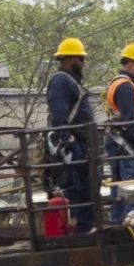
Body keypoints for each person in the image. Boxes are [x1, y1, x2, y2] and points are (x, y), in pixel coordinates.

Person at [46, 36, 97, 233]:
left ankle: (86, 225)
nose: (83, 63)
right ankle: (82, 228)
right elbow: (59, 116)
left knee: (88, 183)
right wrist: (69, 141)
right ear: (69, 59)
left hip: (81, 142)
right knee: (76, 186)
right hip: (71, 144)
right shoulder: (60, 82)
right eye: (80, 59)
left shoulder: (70, 82)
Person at [105, 42, 134, 224]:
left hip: (115, 138)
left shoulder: (117, 82)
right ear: (131, 64)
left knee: (118, 182)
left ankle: (117, 220)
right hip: (124, 140)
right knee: (130, 178)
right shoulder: (125, 86)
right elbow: (130, 117)